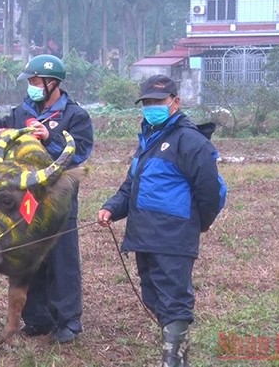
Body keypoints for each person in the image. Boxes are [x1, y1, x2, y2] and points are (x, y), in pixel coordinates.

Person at [97, 75, 227, 367]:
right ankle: (176, 353)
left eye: (158, 102)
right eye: (147, 103)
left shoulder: (190, 141)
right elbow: (132, 185)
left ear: (175, 102)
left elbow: (209, 192)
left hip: (174, 238)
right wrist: (111, 208)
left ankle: (174, 361)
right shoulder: (148, 140)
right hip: (144, 237)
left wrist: (195, 225)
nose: (151, 107)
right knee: (154, 298)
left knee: (174, 301)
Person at [0, 54, 94, 344]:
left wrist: (50, 138)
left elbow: (81, 153)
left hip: (56, 200)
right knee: (30, 257)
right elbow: (2, 127)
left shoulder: (75, 116)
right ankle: (36, 318)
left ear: (52, 83)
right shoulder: (23, 110)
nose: (32, 86)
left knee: (62, 259)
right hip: (24, 200)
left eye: (36, 81)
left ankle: (68, 321)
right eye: (30, 82)